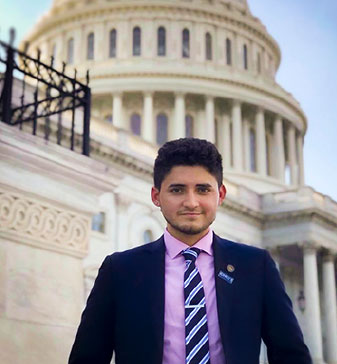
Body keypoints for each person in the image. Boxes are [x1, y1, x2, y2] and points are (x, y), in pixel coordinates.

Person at [69, 138, 312, 364]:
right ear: (156, 196)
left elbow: (290, 355)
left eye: (203, 190)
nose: (191, 202)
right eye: (177, 190)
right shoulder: (120, 270)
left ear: (221, 195)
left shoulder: (255, 266)